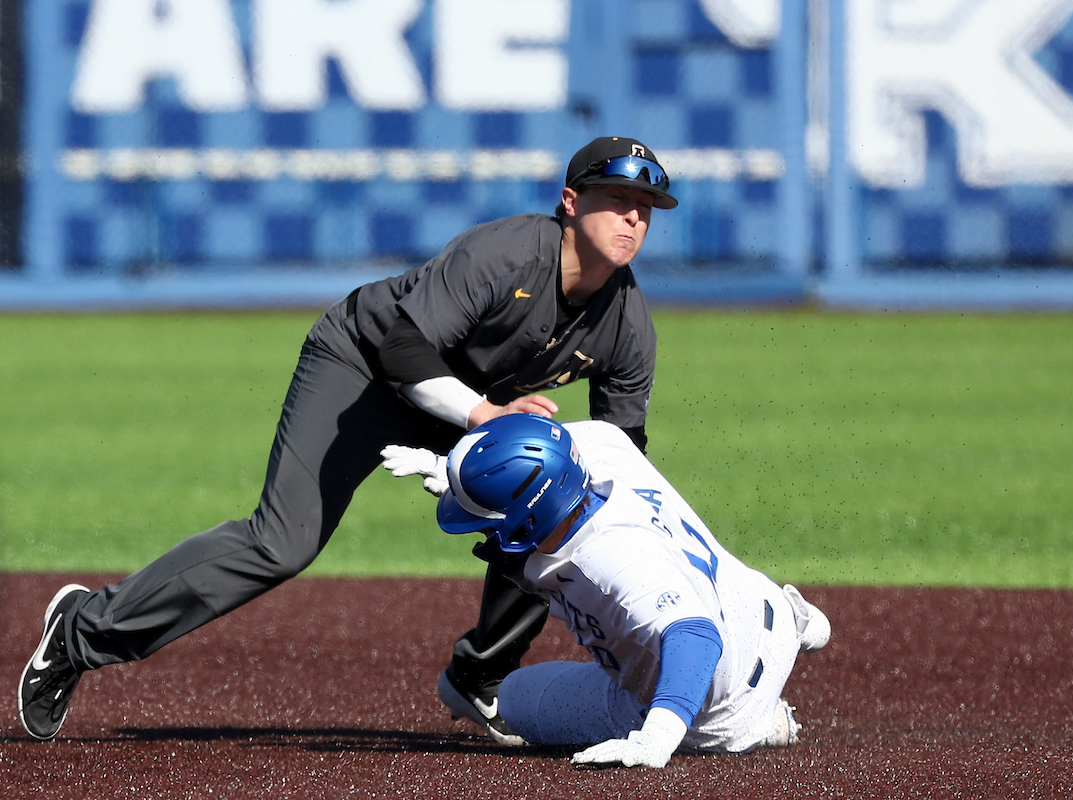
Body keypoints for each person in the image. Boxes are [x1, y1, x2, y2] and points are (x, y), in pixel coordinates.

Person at [19, 136, 678, 742]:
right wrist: (483, 415)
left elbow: (622, 457)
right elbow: (402, 345)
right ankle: (82, 631)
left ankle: (482, 677)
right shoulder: (507, 251)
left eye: (646, 208)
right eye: (617, 200)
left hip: (470, 409)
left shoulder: (626, 325)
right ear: (570, 202)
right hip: (362, 370)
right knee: (283, 543)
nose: (632, 220)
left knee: (556, 503)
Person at [382, 414, 831, 766]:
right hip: (753, 605)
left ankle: (761, 723)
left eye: (486, 520)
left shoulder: (608, 563)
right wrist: (458, 470)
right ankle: (793, 620)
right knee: (716, 591)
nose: (482, 532)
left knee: (517, 699)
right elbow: (537, 449)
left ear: (531, 517)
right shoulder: (598, 445)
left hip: (715, 707)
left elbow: (696, 637)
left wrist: (657, 737)